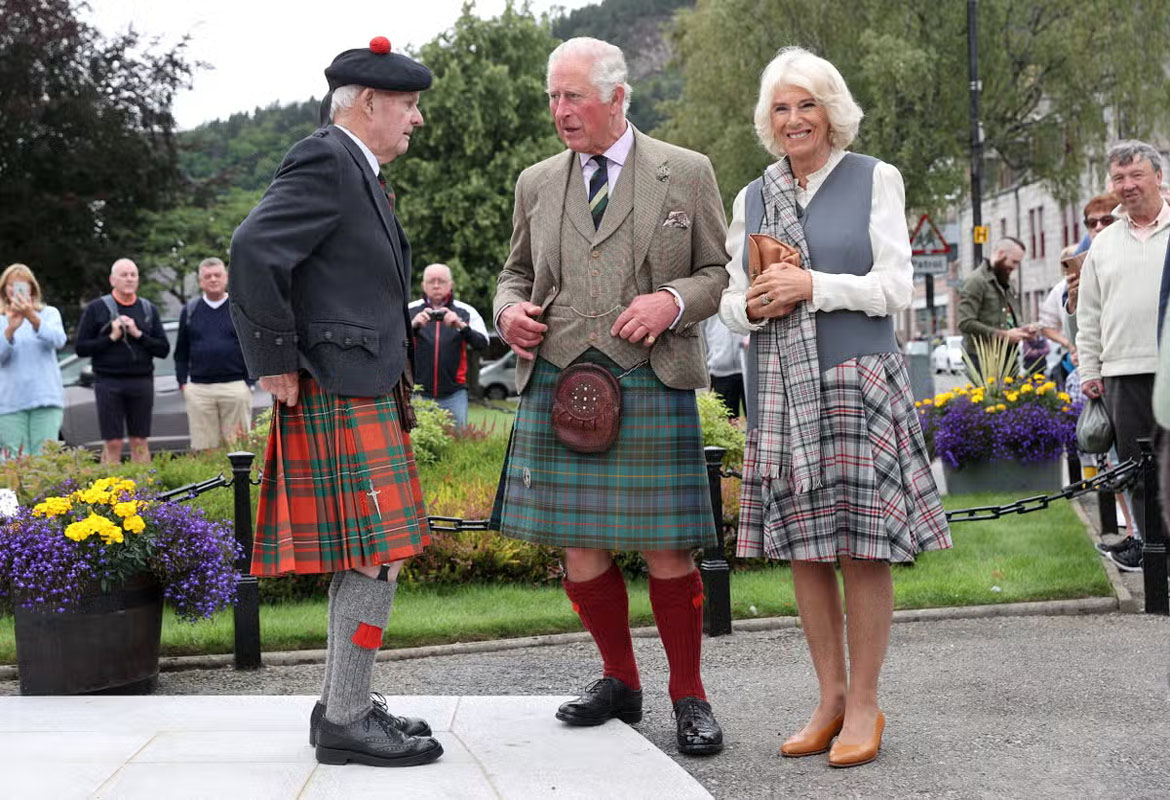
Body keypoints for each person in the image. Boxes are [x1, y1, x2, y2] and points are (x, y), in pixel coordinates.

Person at [493, 37, 730, 756]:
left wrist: (671, 302)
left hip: (649, 379)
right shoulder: (536, 182)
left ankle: (689, 695)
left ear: (617, 97)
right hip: (562, 384)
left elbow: (717, 273)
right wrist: (507, 312)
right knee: (581, 550)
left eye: (574, 97)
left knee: (668, 550)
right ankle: (618, 681)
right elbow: (512, 274)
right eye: (553, 98)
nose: (561, 111)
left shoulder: (685, 173)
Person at [719, 46, 950, 768]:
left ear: (831, 112)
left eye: (807, 104)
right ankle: (829, 698)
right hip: (781, 390)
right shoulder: (752, 198)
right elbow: (730, 302)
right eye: (782, 108)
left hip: (858, 379)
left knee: (861, 549)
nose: (794, 119)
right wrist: (752, 305)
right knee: (806, 553)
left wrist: (810, 286)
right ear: (769, 121)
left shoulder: (875, 178)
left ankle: (868, 704)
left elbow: (894, 290)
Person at [228, 36, 442, 768]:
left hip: (360, 383)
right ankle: (347, 717)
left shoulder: (361, 170)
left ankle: (341, 705)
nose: (415, 119)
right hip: (337, 385)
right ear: (369, 103)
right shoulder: (327, 158)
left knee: (373, 556)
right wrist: (275, 361)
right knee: (377, 556)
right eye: (408, 106)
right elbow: (254, 250)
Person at [1077, 140, 1170, 573]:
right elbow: (1089, 314)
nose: (1128, 185)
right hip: (1122, 374)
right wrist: (1089, 370)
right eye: (1119, 178)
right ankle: (1156, 560)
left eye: (1136, 175)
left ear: (1158, 176)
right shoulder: (1104, 243)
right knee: (1135, 472)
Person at [74, 258, 169, 464]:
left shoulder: (147, 309)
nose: (129, 279)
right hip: (108, 381)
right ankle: (109, 492)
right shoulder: (96, 308)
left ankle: (145, 489)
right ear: (112, 280)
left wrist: (137, 333)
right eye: (124, 275)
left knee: (140, 440)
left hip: (141, 381)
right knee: (113, 441)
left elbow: (163, 349)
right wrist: (111, 338)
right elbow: (81, 348)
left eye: (133, 275)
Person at [174, 257, 253, 450]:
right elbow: (181, 351)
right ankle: (212, 481)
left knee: (239, 448)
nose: (213, 279)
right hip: (200, 389)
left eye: (217, 275)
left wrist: (249, 383)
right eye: (207, 276)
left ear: (226, 278)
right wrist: (183, 383)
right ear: (201, 281)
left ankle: (239, 482)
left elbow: (252, 346)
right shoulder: (190, 310)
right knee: (205, 448)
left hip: (235, 386)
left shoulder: (239, 308)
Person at [408, 263, 489, 428]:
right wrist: (412, 327)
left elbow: (483, 344)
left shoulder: (465, 311)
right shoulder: (410, 310)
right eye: (431, 281)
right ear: (423, 285)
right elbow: (394, 345)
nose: (436, 285)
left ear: (451, 284)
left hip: (454, 394)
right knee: (417, 444)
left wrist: (461, 326)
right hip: (418, 393)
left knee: (457, 444)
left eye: (441, 281)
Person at [0, 263, 67, 457]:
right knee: (14, 460)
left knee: (45, 458)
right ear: (5, 289)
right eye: (11, 285)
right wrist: (10, 329)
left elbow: (59, 340)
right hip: (9, 403)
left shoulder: (49, 314)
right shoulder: (1, 319)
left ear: (32, 288)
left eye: (22, 284)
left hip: (45, 398)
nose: (16, 289)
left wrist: (32, 317)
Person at [957, 237, 1032, 377]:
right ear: (1000, 254)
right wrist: (1004, 335)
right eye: (1014, 262)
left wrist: (1023, 330)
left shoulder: (1006, 282)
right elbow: (965, 322)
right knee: (989, 399)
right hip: (982, 358)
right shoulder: (976, 281)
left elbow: (1007, 318)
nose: (1015, 267)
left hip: (1008, 357)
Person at [703, 316, 747, 418]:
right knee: (726, 421)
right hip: (720, 372)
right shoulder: (708, 302)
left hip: (748, 368)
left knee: (755, 420)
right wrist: (709, 362)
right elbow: (701, 334)